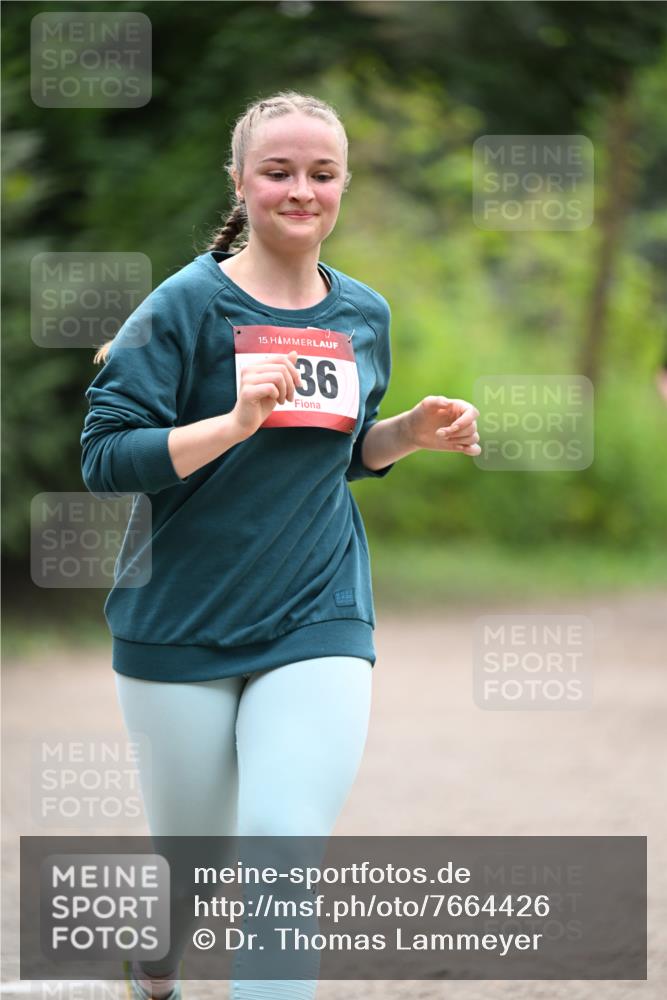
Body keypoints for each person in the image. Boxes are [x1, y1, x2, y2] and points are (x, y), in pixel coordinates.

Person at [80, 89, 480, 1000]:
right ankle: (159, 956)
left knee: (278, 844)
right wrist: (232, 421)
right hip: (178, 619)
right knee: (194, 867)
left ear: (343, 184)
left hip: (317, 614)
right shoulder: (180, 307)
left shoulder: (363, 314)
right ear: (241, 181)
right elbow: (106, 458)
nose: (301, 190)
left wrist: (405, 433)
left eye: (321, 173)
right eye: (279, 171)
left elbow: (340, 455)